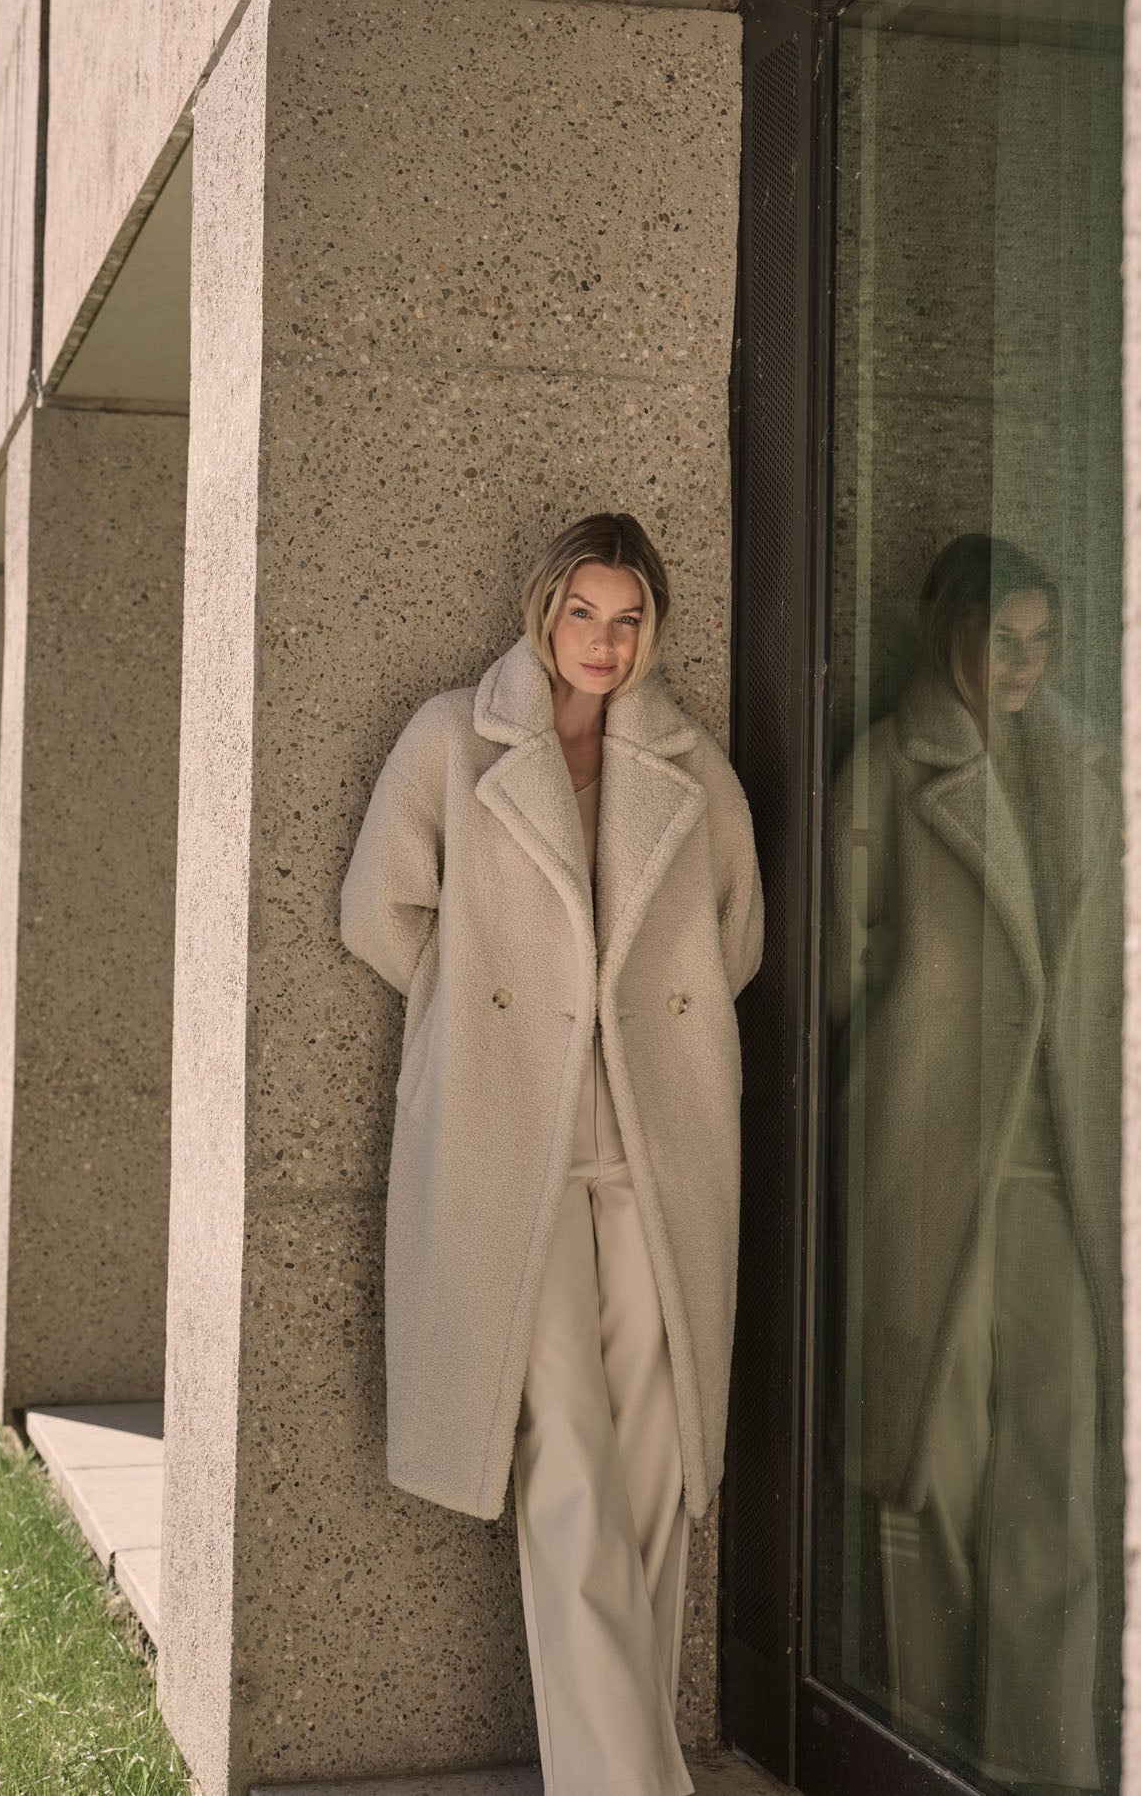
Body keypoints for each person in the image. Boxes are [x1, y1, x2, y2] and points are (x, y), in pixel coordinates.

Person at [340, 511, 763, 1796]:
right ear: (543, 610)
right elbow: (379, 911)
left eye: (627, 619)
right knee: (567, 1458)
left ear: (652, 630)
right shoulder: (450, 739)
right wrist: (489, 1015)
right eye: (582, 611)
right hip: (507, 1142)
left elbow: (734, 938)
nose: (602, 640)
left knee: (654, 1467)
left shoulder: (690, 767)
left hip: (654, 1142)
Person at [828, 533, 1122, 1791]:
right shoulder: (887, 768)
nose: (1022, 663)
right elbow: (833, 973)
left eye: (1041, 641)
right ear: (943, 624)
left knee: (1055, 1474)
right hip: (931, 1163)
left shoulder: (1084, 774)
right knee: (927, 1476)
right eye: (1002, 636)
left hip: (1057, 1173)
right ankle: (925, 1748)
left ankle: (1040, 1762)